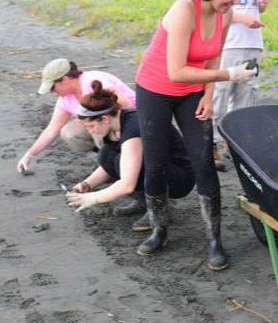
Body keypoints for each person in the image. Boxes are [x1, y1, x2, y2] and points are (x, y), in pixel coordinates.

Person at [134, 0, 256, 271]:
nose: (236, 1)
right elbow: (176, 71)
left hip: (192, 92)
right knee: (156, 160)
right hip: (155, 90)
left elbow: (213, 54)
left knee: (203, 159)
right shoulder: (183, 10)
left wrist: (208, 94)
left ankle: (214, 239)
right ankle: (159, 228)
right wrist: (229, 75)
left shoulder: (225, 14)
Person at [64, 81, 194, 231]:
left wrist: (93, 198)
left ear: (105, 119)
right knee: (106, 155)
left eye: (91, 126)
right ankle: (144, 202)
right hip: (159, 169)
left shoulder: (133, 128)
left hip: (179, 176)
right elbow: (107, 166)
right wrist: (87, 185)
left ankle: (158, 209)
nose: (90, 131)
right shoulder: (114, 126)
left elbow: (127, 184)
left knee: (122, 162)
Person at [211, 0, 271, 166]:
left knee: (246, 93)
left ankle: (238, 144)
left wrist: (263, 5)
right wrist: (242, 18)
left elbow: (261, 7)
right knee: (220, 94)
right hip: (227, 43)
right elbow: (215, 8)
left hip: (252, 43)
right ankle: (213, 144)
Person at [16, 58, 136, 174]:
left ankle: (122, 160)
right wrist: (29, 155)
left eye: (53, 87)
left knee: (97, 129)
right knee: (70, 133)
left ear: (65, 79)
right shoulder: (65, 99)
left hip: (131, 119)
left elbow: (126, 105)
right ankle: (108, 159)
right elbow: (51, 130)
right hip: (103, 124)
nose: (52, 92)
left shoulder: (94, 81)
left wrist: (123, 131)